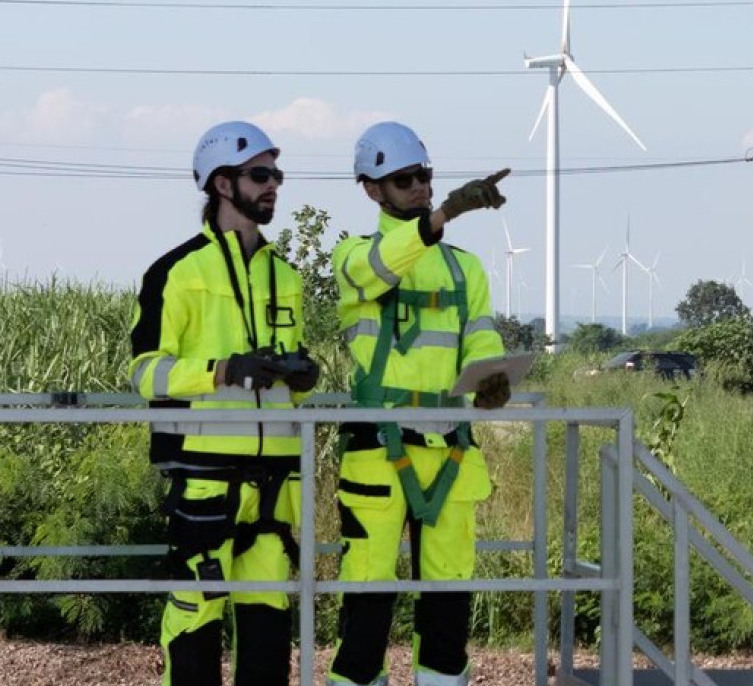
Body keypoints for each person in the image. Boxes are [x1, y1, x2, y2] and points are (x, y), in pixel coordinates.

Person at [128, 121, 320, 686]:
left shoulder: (286, 275)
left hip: (275, 483)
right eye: (260, 175)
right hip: (204, 479)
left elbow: (285, 362)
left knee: (268, 631)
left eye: (276, 176)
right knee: (195, 624)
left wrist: (300, 372)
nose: (273, 187)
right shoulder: (175, 272)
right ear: (219, 183)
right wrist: (221, 372)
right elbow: (145, 373)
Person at [328, 122, 514, 686]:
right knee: (367, 597)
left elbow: (480, 337)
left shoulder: (465, 269)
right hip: (377, 453)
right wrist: (445, 216)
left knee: (449, 601)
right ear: (371, 190)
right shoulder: (353, 258)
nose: (419, 187)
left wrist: (494, 375)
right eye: (404, 179)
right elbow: (384, 266)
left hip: (450, 449)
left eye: (425, 177)